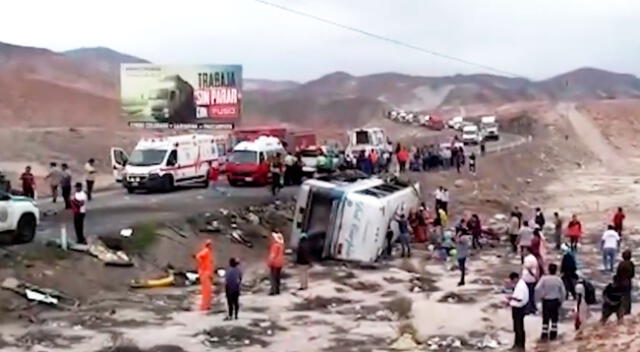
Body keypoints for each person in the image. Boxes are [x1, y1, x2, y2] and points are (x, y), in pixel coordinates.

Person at [535, 263, 565, 341]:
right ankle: (553, 335)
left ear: (548, 269)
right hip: (555, 301)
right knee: (554, 319)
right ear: (556, 270)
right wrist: (561, 300)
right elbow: (563, 292)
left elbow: (537, 288)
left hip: (546, 301)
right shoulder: (558, 280)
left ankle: (544, 335)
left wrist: (540, 296)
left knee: (546, 319)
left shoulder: (544, 279)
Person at [508, 272, 529, 351]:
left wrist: (511, 298)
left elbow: (519, 298)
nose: (512, 283)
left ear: (515, 279)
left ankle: (519, 345)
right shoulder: (521, 284)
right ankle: (518, 343)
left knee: (518, 327)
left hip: (519, 309)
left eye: (512, 281)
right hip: (519, 307)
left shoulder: (520, 286)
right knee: (518, 327)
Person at [195, 240, 214, 311]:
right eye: (211, 244)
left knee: (208, 290)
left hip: (206, 273)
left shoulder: (208, 252)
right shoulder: (206, 251)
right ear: (208, 245)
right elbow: (198, 256)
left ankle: (207, 305)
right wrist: (202, 266)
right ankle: (204, 306)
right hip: (204, 273)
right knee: (206, 290)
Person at [615, 250, 635, 316]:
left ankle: (621, 309)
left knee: (621, 296)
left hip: (621, 281)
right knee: (628, 296)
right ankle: (627, 310)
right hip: (628, 281)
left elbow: (618, 273)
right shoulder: (631, 264)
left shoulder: (621, 264)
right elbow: (632, 274)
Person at [522, 247, 539, 314]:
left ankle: (528, 309)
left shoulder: (527, 259)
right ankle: (533, 308)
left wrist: (533, 275)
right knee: (531, 294)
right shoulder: (534, 258)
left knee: (527, 294)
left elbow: (528, 268)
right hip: (532, 279)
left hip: (528, 278)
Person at [268, 230, 285, 295]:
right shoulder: (281, 245)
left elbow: (272, 255)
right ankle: (277, 290)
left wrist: (269, 262)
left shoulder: (275, 246)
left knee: (273, 277)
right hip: (280, 262)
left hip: (274, 263)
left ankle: (273, 290)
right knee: (277, 277)